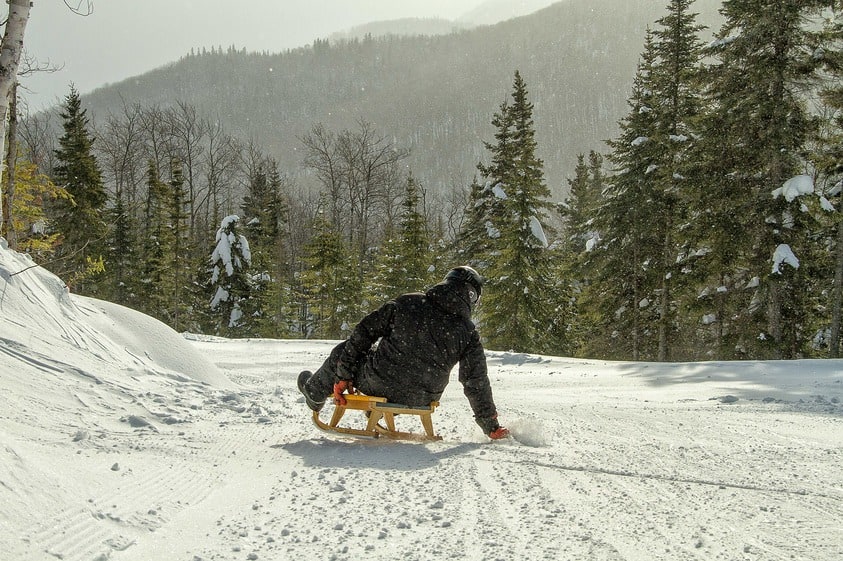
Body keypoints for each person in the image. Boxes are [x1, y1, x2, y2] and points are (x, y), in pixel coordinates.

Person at [298, 265, 510, 440]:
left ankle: (315, 393)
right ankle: (376, 408)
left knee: (346, 350)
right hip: (424, 396)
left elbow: (363, 332)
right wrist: (489, 424)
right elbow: (476, 380)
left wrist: (343, 375)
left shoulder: (409, 302)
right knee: (401, 373)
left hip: (380, 381)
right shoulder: (468, 332)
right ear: (471, 299)